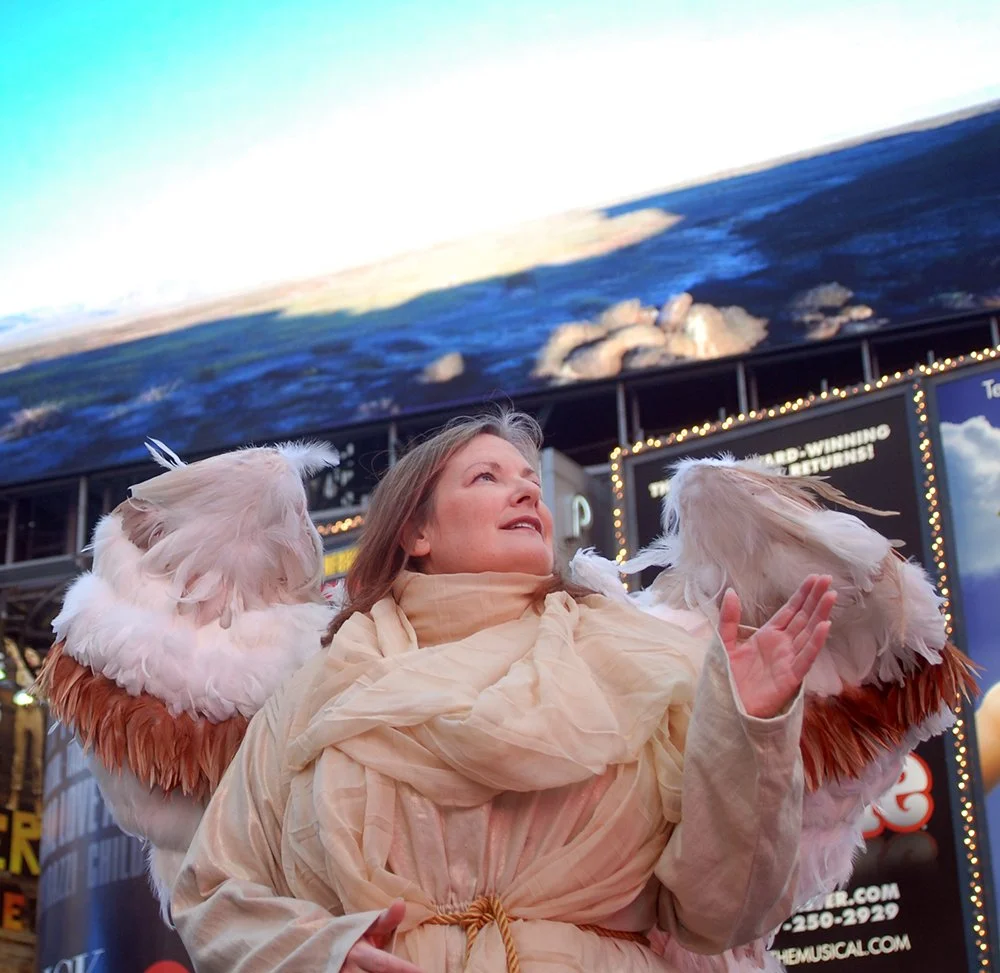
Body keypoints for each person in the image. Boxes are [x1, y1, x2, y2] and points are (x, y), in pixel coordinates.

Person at [171, 410, 836, 973]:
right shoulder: (314, 691)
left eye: (530, 482)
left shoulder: (646, 662)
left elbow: (724, 909)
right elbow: (213, 893)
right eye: (487, 477)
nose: (527, 495)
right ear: (416, 530)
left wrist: (746, 729)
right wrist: (320, 952)